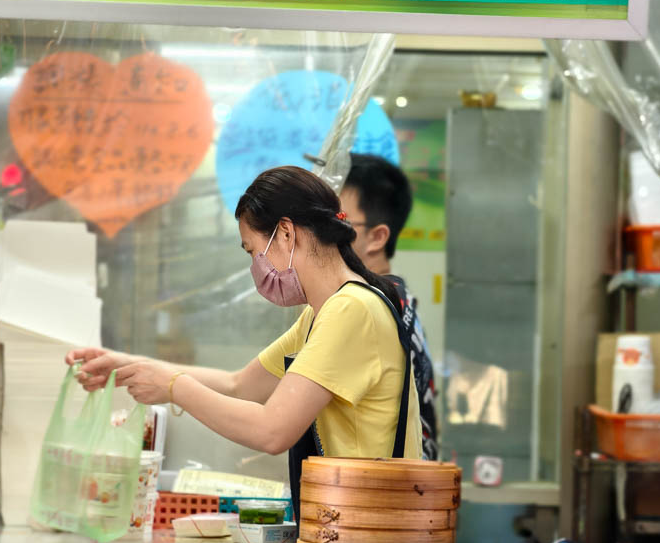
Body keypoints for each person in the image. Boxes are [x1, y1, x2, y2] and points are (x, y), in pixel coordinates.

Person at [68, 166, 421, 504]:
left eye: (254, 251)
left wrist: (173, 386)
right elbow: (239, 385)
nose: (257, 267)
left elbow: (272, 431)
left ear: (285, 233)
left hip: (367, 532)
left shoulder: (351, 309)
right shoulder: (321, 313)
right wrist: (127, 365)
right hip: (344, 527)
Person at [341, 152, 440, 460]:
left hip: (390, 496)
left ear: (377, 237)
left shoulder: (364, 306)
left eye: (337, 219)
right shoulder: (396, 294)